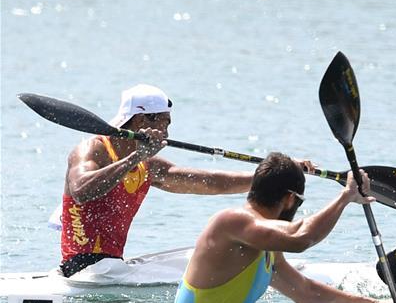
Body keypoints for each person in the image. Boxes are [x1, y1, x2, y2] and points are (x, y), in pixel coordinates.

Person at [160, 152, 396, 303]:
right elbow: (301, 237)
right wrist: (345, 197)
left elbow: (309, 294)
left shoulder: (265, 244)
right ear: (290, 199)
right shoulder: (232, 222)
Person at [59, 83, 314, 277]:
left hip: (112, 267)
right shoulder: (93, 150)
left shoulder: (149, 166)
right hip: (84, 269)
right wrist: (135, 158)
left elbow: (211, 182)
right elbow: (81, 190)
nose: (167, 133)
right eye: (163, 123)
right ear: (140, 120)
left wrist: (274, 175)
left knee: (205, 256)